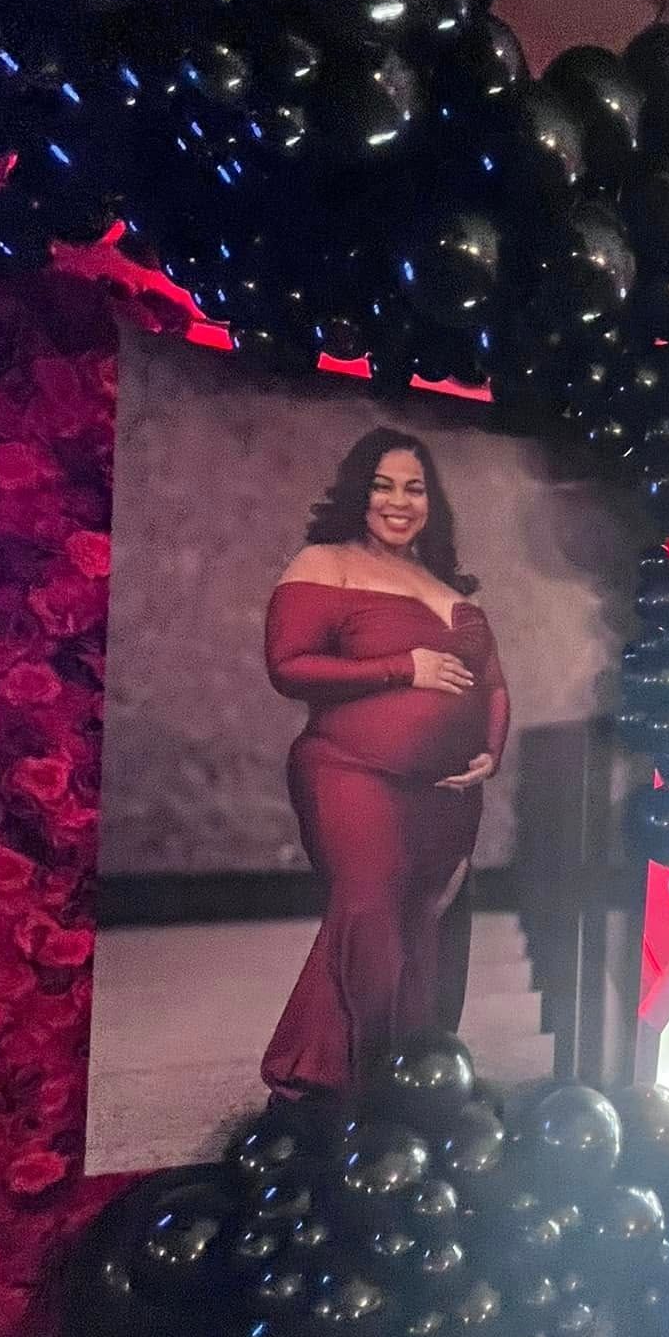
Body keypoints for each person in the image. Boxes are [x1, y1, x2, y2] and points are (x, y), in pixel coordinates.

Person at [261, 426, 509, 1104]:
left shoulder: (449, 586)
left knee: (419, 920)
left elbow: (493, 686)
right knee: (370, 904)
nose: (399, 502)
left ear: (432, 502)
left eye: (415, 488)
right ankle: (378, 1077)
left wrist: (490, 750)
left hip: (448, 790)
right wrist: (406, 668)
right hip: (349, 769)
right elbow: (289, 666)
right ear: (358, 492)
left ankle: (324, 1066)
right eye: (383, 485)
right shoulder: (326, 562)